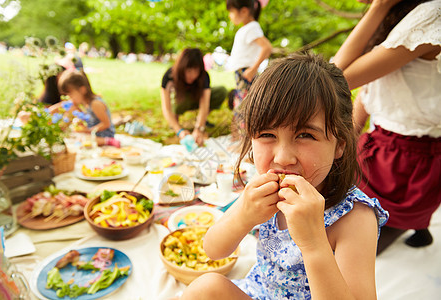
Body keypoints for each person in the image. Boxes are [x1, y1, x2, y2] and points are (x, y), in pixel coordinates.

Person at [180, 53, 389, 299]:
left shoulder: (354, 217)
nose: (283, 157)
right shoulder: (263, 189)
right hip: (259, 292)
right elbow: (213, 250)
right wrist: (243, 216)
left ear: (340, 145)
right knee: (205, 288)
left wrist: (313, 244)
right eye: (267, 134)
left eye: (305, 135)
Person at [332, 0, 440, 253]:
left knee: (361, 242)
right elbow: (373, 86)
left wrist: (379, 6)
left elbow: (336, 77)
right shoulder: (403, 13)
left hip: (407, 157)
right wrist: (349, 137)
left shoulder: (432, 13)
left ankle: (408, 224)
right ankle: (416, 225)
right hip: (385, 145)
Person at [160, 48, 227, 146]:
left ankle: (202, 120)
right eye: (189, 70)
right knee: (181, 103)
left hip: (197, 98)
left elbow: (205, 103)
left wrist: (199, 128)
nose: (193, 75)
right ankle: (174, 123)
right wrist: (180, 131)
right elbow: (166, 109)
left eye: (196, 70)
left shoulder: (204, 76)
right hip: (180, 100)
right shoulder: (169, 75)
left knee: (221, 91)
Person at [225, 0, 272, 110]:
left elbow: (267, 47)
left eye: (231, 12)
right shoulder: (246, 28)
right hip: (242, 72)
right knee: (242, 104)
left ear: (244, 11)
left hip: (246, 72)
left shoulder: (252, 27)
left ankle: (244, 127)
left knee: (245, 106)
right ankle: (242, 126)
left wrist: (253, 68)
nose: (229, 16)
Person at [55, 69, 119, 147]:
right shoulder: (85, 103)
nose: (70, 98)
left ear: (82, 90)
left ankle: (109, 141)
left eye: (71, 95)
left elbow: (106, 124)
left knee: (83, 139)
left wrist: (88, 130)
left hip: (103, 134)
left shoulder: (95, 104)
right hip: (93, 132)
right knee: (75, 135)